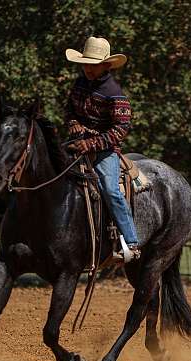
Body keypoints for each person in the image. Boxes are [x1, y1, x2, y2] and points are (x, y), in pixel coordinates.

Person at [64, 36, 140, 260]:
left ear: (106, 65)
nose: (87, 68)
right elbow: (69, 111)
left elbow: (120, 129)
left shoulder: (114, 93)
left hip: (105, 150)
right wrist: (74, 124)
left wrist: (91, 143)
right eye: (85, 63)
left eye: (93, 64)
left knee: (110, 189)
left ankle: (131, 241)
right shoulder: (79, 84)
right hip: (77, 144)